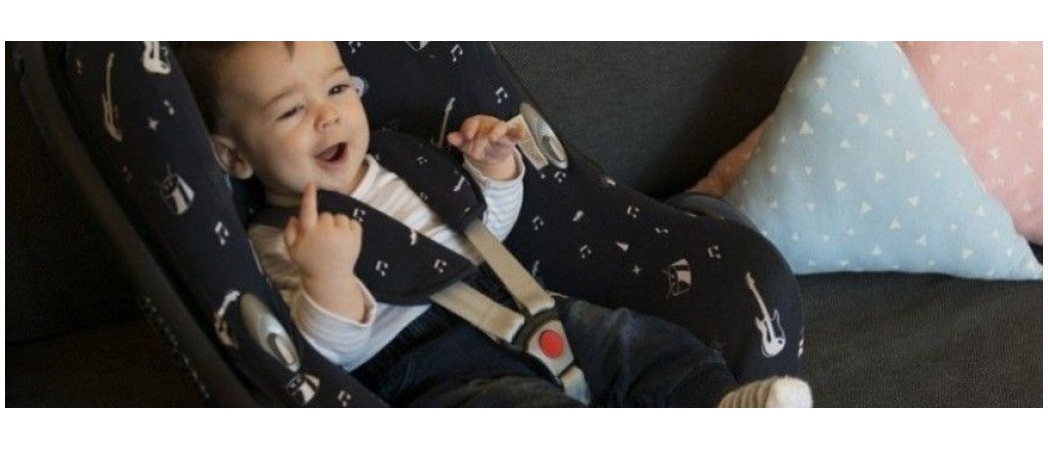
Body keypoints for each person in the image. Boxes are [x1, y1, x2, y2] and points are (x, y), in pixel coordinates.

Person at [177, 41, 812, 407]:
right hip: (426, 369)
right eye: (291, 111)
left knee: (638, 345)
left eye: (339, 89)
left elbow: (486, 235)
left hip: (526, 304)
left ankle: (719, 406)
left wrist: (495, 171)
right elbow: (318, 358)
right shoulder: (280, 238)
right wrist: (329, 280)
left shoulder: (398, 162)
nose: (327, 116)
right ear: (234, 157)